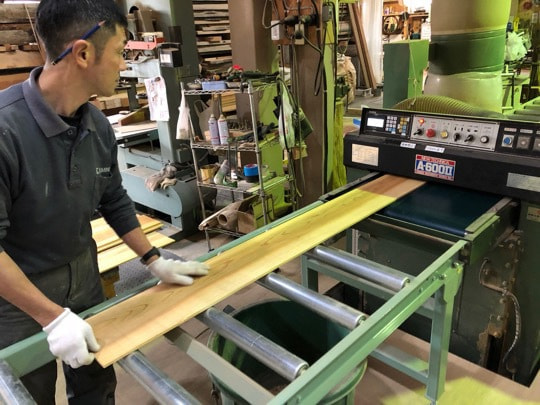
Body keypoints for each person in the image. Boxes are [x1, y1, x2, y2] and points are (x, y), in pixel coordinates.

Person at [0, 0, 209, 403]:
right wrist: (51, 318)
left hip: (84, 274)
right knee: (28, 392)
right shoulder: (6, 131)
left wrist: (154, 259)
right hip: (19, 297)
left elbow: (113, 199)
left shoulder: (95, 124)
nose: (124, 64)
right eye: (119, 52)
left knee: (96, 384)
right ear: (82, 53)